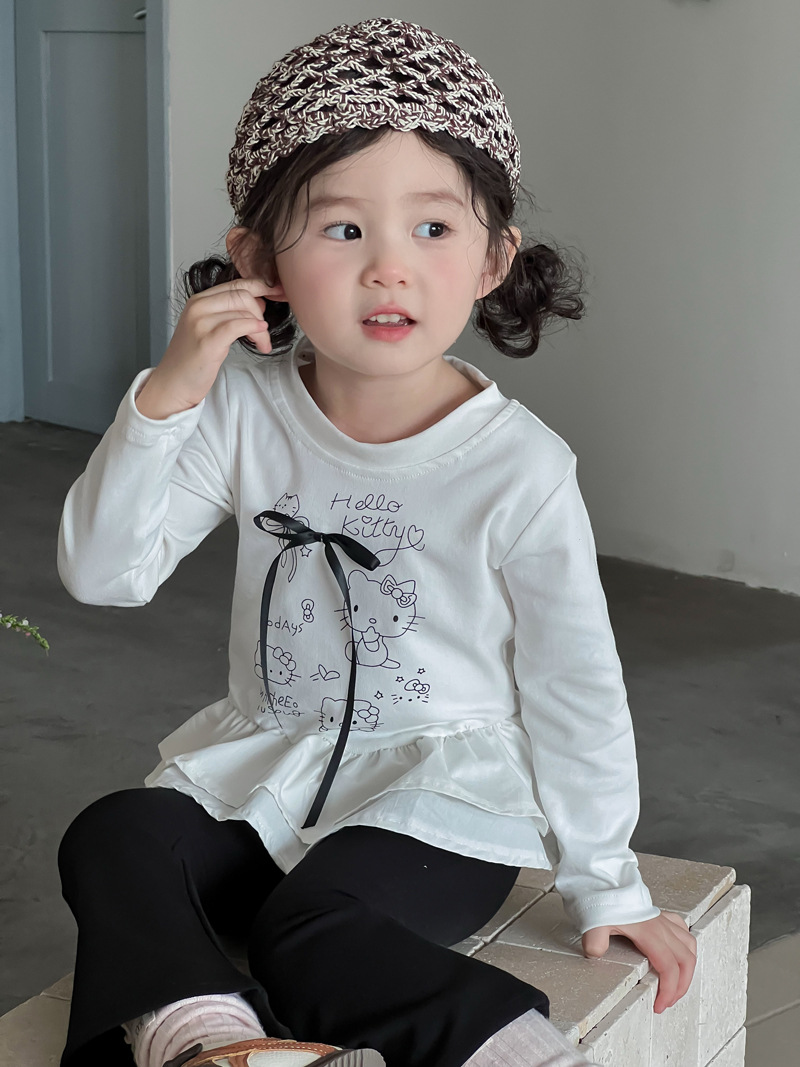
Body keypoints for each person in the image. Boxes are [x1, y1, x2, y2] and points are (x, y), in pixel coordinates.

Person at [55, 16, 697, 1067]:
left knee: (311, 928)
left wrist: (605, 879)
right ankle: (211, 1041)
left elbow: (574, 683)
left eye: (433, 228)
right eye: (342, 229)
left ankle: (517, 1051)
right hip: (265, 774)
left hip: (436, 804)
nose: (389, 268)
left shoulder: (518, 466)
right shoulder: (240, 409)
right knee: (114, 834)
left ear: (493, 258)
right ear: (258, 260)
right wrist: (167, 394)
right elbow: (103, 572)